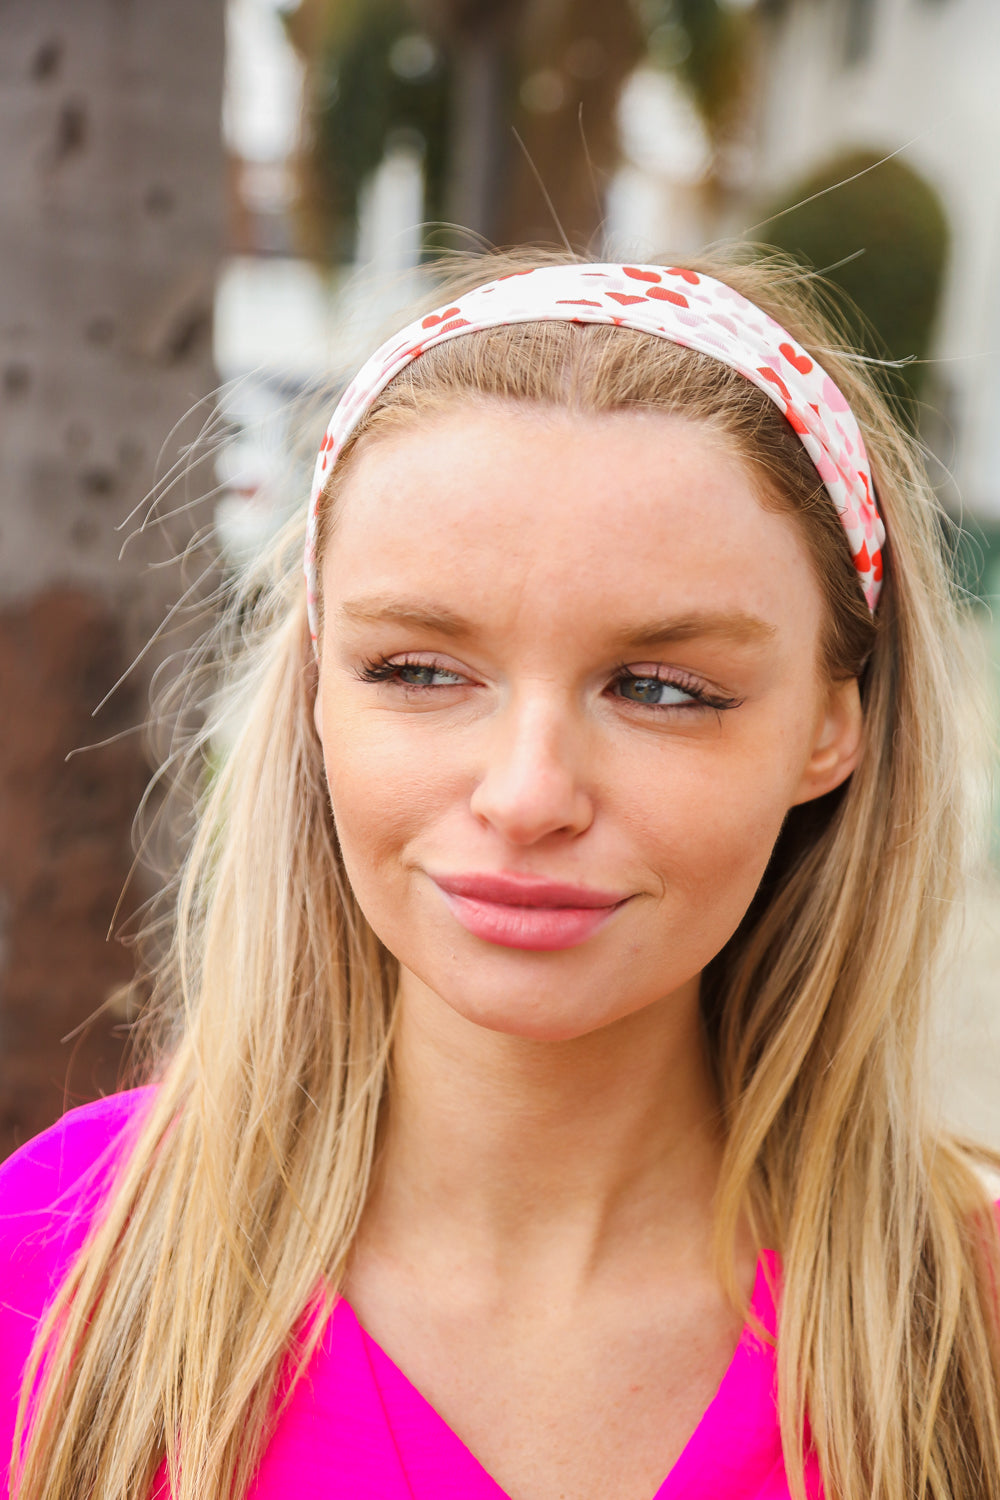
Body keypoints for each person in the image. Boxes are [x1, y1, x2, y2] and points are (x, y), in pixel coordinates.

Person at [1, 247, 998, 1500]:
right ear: (314, 689)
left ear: (828, 727)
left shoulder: (970, 1328)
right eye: (420, 671)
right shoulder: (55, 1259)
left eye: (662, 690)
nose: (526, 795)